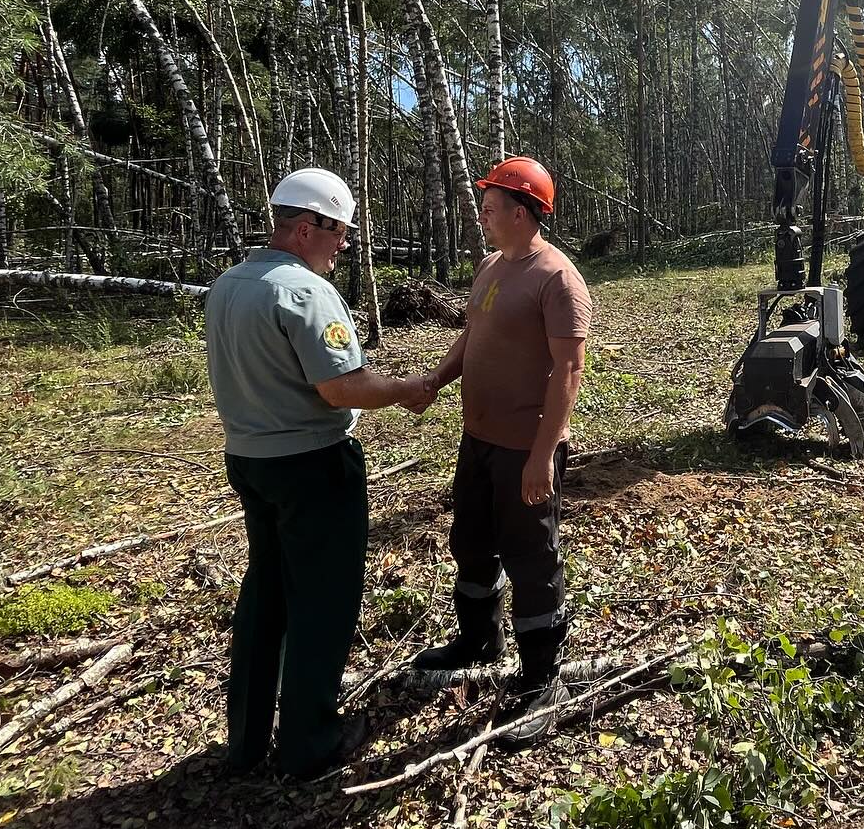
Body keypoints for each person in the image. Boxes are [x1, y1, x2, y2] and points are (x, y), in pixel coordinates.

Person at [204, 167, 434, 779]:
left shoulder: (229, 285)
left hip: (249, 460)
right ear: (308, 228)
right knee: (323, 601)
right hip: (312, 465)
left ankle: (248, 738)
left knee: (267, 593)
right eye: (339, 233)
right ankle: (310, 740)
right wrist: (410, 387)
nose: (344, 245)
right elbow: (339, 387)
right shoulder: (303, 292)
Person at [413, 156, 591, 745]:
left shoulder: (557, 279)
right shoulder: (491, 266)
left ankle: (543, 679)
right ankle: (477, 640)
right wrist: (435, 381)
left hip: (524, 447)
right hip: (478, 439)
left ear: (521, 212)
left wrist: (543, 454)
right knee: (471, 539)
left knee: (530, 554)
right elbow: (473, 334)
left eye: (491, 206)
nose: (483, 215)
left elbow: (568, 370)